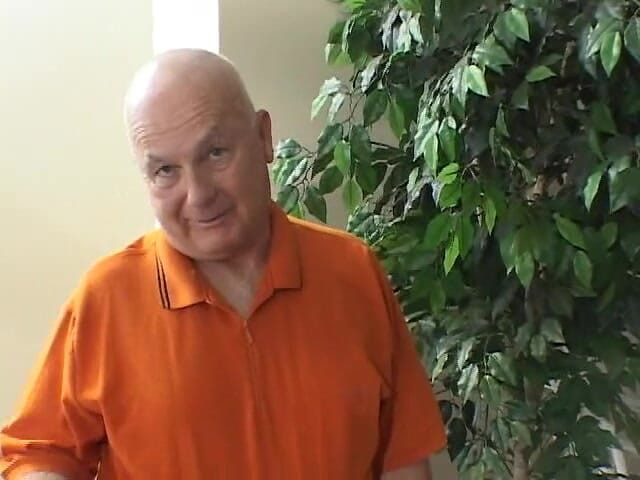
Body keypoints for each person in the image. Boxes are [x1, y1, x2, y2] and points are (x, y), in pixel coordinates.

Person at [0, 49, 446, 480]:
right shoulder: (107, 297)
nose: (198, 195)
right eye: (165, 171)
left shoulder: (352, 271)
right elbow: (37, 452)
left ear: (263, 137)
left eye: (215, 153)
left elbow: (401, 454)